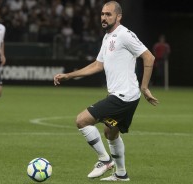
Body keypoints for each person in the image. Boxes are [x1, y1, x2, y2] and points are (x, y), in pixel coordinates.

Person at [54, 1, 158, 181]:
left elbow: (149, 57)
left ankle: (105, 160)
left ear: (118, 17)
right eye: (102, 14)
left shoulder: (124, 35)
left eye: (108, 14)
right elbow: (97, 65)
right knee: (111, 132)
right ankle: (121, 174)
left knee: (82, 120)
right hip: (124, 96)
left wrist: (145, 87)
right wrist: (69, 76)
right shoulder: (107, 37)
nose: (104, 17)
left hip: (123, 96)